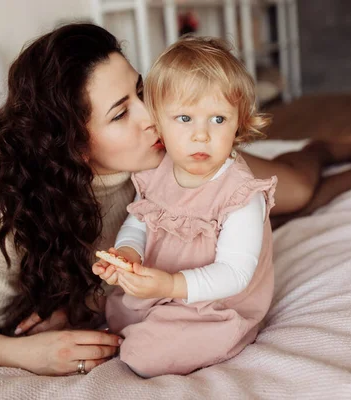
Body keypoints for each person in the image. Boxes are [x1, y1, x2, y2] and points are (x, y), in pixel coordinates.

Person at [0, 23, 351, 377]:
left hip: (218, 208)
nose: (153, 118)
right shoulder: (6, 228)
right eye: (121, 113)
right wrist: (18, 350)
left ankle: (323, 149)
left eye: (141, 89)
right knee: (290, 210)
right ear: (70, 142)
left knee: (296, 191)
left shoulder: (161, 152)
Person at [93, 36, 277, 377]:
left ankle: (164, 336)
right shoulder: (155, 170)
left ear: (239, 122)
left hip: (214, 304)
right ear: (158, 123)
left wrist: (169, 286)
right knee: (115, 309)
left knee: (147, 355)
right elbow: (139, 221)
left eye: (218, 119)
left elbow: (234, 274)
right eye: (184, 118)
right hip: (164, 290)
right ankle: (140, 326)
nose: (201, 135)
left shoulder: (240, 193)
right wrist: (128, 253)